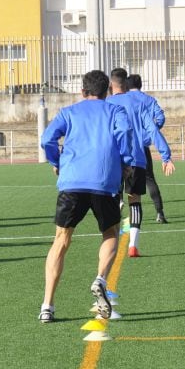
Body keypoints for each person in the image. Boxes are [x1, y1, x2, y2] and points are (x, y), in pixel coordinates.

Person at [40, 70, 137, 324]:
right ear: (107, 92)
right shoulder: (115, 111)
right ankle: (100, 278)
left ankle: (47, 306)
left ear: (82, 91)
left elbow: (47, 138)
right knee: (110, 232)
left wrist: (56, 159)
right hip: (104, 181)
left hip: (72, 182)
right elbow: (125, 135)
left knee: (61, 240)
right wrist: (125, 161)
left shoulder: (69, 112)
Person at [106, 69, 175, 259]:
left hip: (112, 160)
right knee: (134, 200)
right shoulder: (138, 103)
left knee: (112, 199)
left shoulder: (106, 104)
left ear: (111, 85)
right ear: (126, 85)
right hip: (136, 158)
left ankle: (111, 239)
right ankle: (133, 245)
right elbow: (153, 128)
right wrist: (165, 155)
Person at [126, 73, 171, 224]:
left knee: (117, 178)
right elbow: (160, 118)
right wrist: (148, 135)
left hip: (122, 147)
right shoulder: (149, 100)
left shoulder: (122, 100)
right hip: (141, 147)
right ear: (140, 85)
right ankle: (160, 213)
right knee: (149, 179)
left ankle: (118, 205)